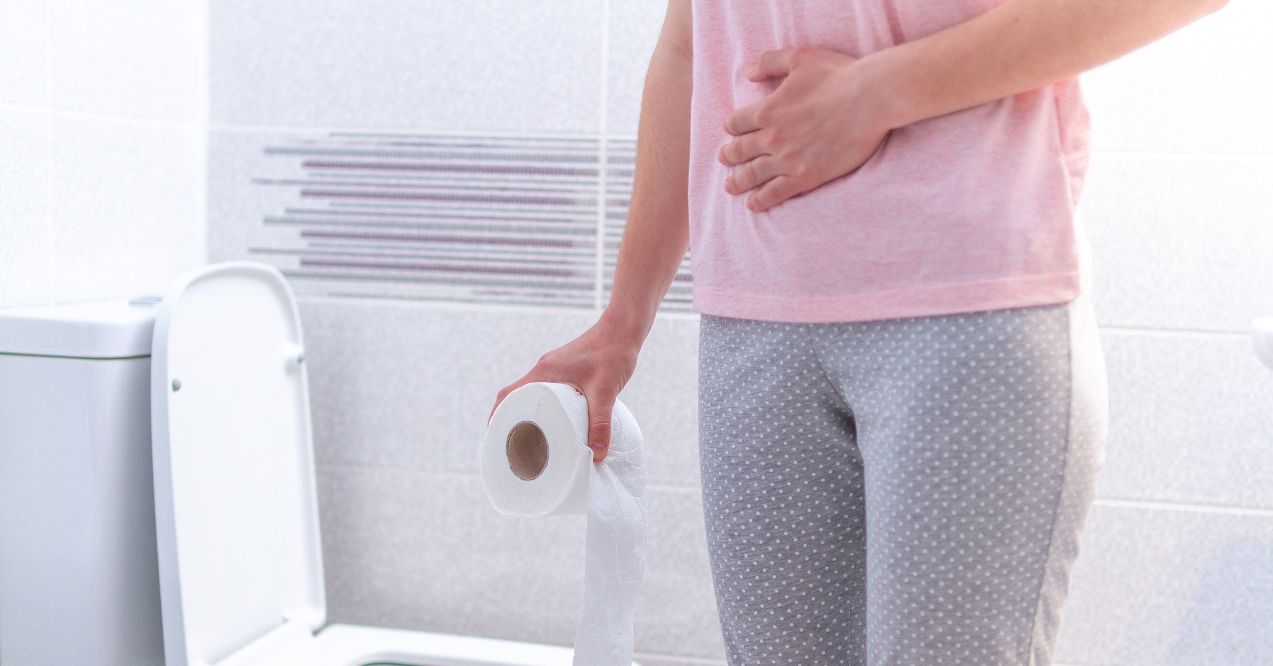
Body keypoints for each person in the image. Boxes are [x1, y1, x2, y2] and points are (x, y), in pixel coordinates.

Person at [489, 0, 1228, 663]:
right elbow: (690, 42)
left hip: (965, 311)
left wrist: (876, 93)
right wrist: (624, 317)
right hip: (755, 323)